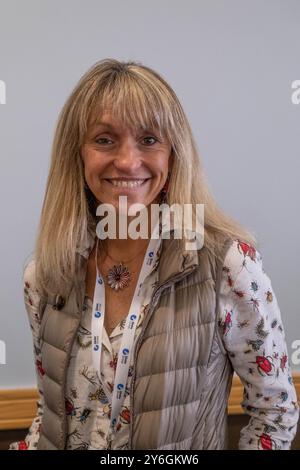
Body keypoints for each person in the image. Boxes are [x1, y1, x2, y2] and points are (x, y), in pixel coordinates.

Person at [10, 58, 299, 450]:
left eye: (148, 139)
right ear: (76, 155)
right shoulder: (44, 274)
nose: (128, 161)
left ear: (173, 154)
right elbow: (49, 412)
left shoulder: (228, 266)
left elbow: (275, 414)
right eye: (104, 139)